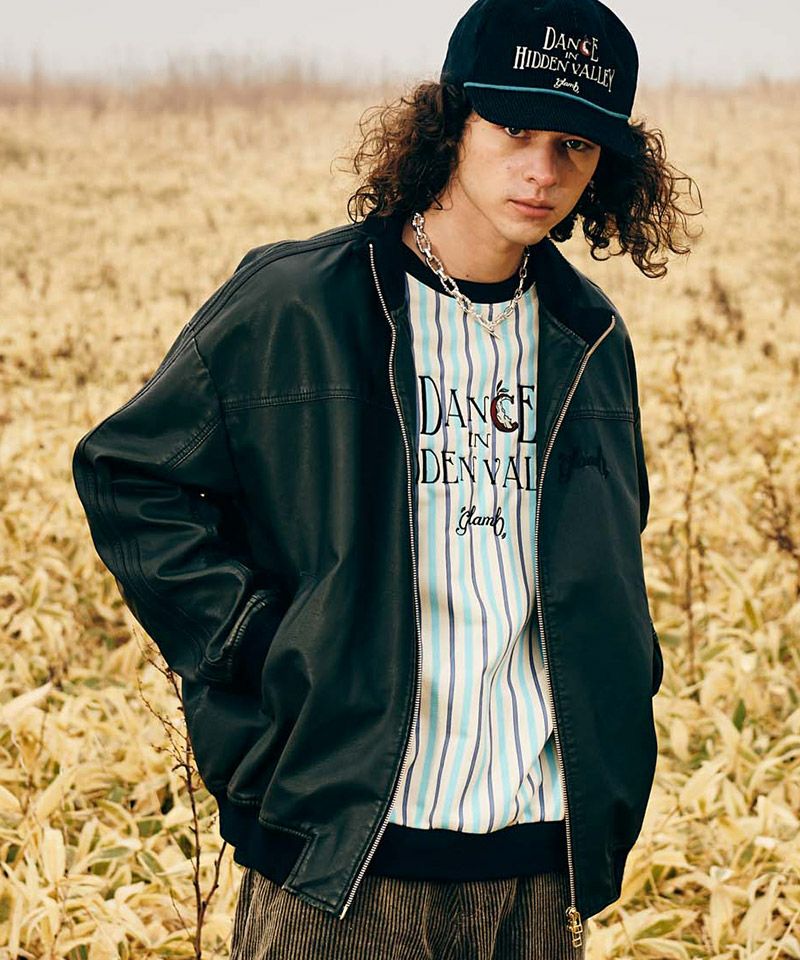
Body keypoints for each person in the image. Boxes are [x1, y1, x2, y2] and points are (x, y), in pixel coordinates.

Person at [72, 0, 700, 956]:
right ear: (452, 121)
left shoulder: (590, 338)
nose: (542, 170)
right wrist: (262, 646)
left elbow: (610, 557)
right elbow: (129, 475)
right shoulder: (300, 304)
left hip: (538, 854)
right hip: (344, 850)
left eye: (574, 144)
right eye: (514, 129)